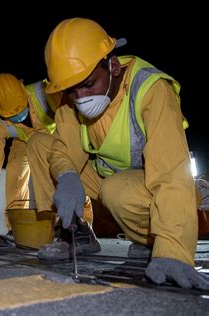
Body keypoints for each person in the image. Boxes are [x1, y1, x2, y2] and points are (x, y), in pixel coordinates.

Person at [41, 17, 209, 290]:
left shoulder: (151, 90)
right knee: (41, 146)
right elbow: (63, 149)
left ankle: (156, 240)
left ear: (114, 66)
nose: (81, 98)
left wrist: (173, 252)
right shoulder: (69, 100)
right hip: (106, 173)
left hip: (152, 181)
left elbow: (170, 174)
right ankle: (76, 234)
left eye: (89, 84)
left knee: (115, 190)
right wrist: (68, 175)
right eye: (73, 91)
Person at [0, 73, 66, 247]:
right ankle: (16, 228)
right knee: (15, 173)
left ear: (24, 91)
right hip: (24, 142)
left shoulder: (45, 93)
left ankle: (75, 225)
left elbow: (71, 118)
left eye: (21, 109)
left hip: (54, 136)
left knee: (63, 170)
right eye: (12, 115)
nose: (20, 117)